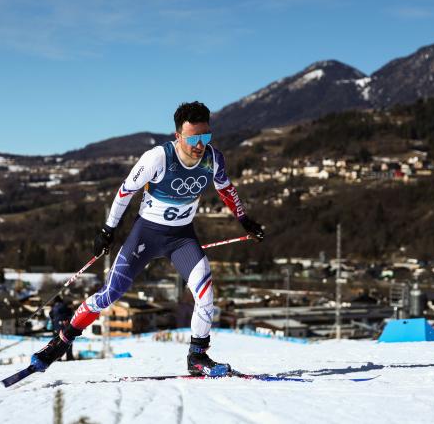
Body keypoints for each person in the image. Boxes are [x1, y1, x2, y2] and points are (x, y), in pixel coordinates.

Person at [31, 102, 264, 377]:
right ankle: (61, 342)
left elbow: (226, 190)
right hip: (147, 235)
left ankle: (198, 356)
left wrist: (244, 219)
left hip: (182, 237)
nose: (199, 145)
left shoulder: (213, 159)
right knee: (110, 294)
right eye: (193, 139)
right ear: (178, 136)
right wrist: (108, 230)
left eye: (205, 137)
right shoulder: (157, 158)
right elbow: (125, 191)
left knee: (206, 295)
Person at [49, 296, 74, 361]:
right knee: (67, 342)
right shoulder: (64, 306)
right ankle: (69, 357)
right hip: (64, 327)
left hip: (56, 327)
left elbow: (50, 314)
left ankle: (57, 358)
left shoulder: (53, 308)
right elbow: (70, 313)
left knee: (57, 343)